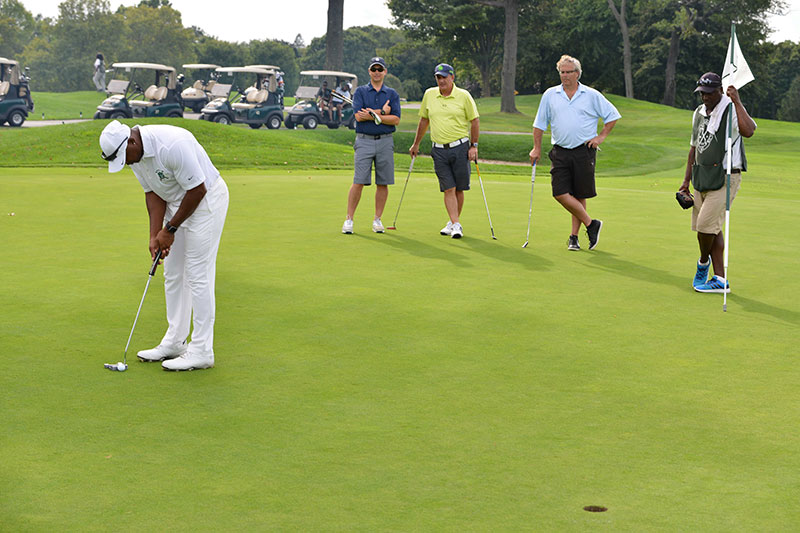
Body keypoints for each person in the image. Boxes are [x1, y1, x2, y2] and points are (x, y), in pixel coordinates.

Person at [99, 120, 229, 371]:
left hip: (206, 201)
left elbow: (197, 190)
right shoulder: (134, 156)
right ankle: (175, 341)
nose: (125, 164)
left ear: (132, 142)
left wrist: (169, 230)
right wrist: (154, 235)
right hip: (176, 202)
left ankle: (202, 350)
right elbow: (153, 193)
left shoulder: (172, 145)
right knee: (172, 272)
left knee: (197, 274)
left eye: (124, 158)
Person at [529, 54, 620, 251]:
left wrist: (601, 137)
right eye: (562, 72)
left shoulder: (591, 95)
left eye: (569, 72)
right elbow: (539, 124)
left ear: (577, 73)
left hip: (584, 151)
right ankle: (591, 224)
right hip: (560, 150)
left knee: (579, 194)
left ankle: (574, 237)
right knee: (560, 193)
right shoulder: (550, 95)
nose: (565, 76)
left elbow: (612, 116)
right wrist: (536, 147)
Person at [679, 72, 756, 293]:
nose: (705, 97)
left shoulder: (730, 109)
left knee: (705, 226)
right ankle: (720, 280)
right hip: (702, 176)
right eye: (702, 93)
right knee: (712, 228)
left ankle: (703, 263)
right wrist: (685, 182)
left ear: (719, 91)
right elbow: (694, 148)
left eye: (710, 93)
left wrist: (737, 100)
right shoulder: (699, 113)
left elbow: (749, 131)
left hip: (726, 176)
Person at [409, 63, 479, 239]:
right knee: (449, 188)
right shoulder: (429, 94)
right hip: (439, 150)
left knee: (459, 189)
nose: (441, 81)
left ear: (452, 77)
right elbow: (424, 120)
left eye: (444, 77)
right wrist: (416, 143)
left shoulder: (464, 96)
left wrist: (474, 145)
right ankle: (455, 224)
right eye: (438, 77)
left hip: (460, 147)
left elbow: (474, 121)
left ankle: (453, 222)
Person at [342, 57, 401, 234]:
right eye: (373, 69)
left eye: (379, 69)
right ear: (369, 71)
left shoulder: (392, 94)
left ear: (385, 72)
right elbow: (359, 116)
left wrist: (374, 115)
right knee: (358, 181)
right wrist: (383, 112)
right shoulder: (360, 91)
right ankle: (349, 220)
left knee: (383, 183)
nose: (376, 72)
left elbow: (396, 120)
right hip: (364, 140)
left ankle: (377, 220)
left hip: (385, 141)